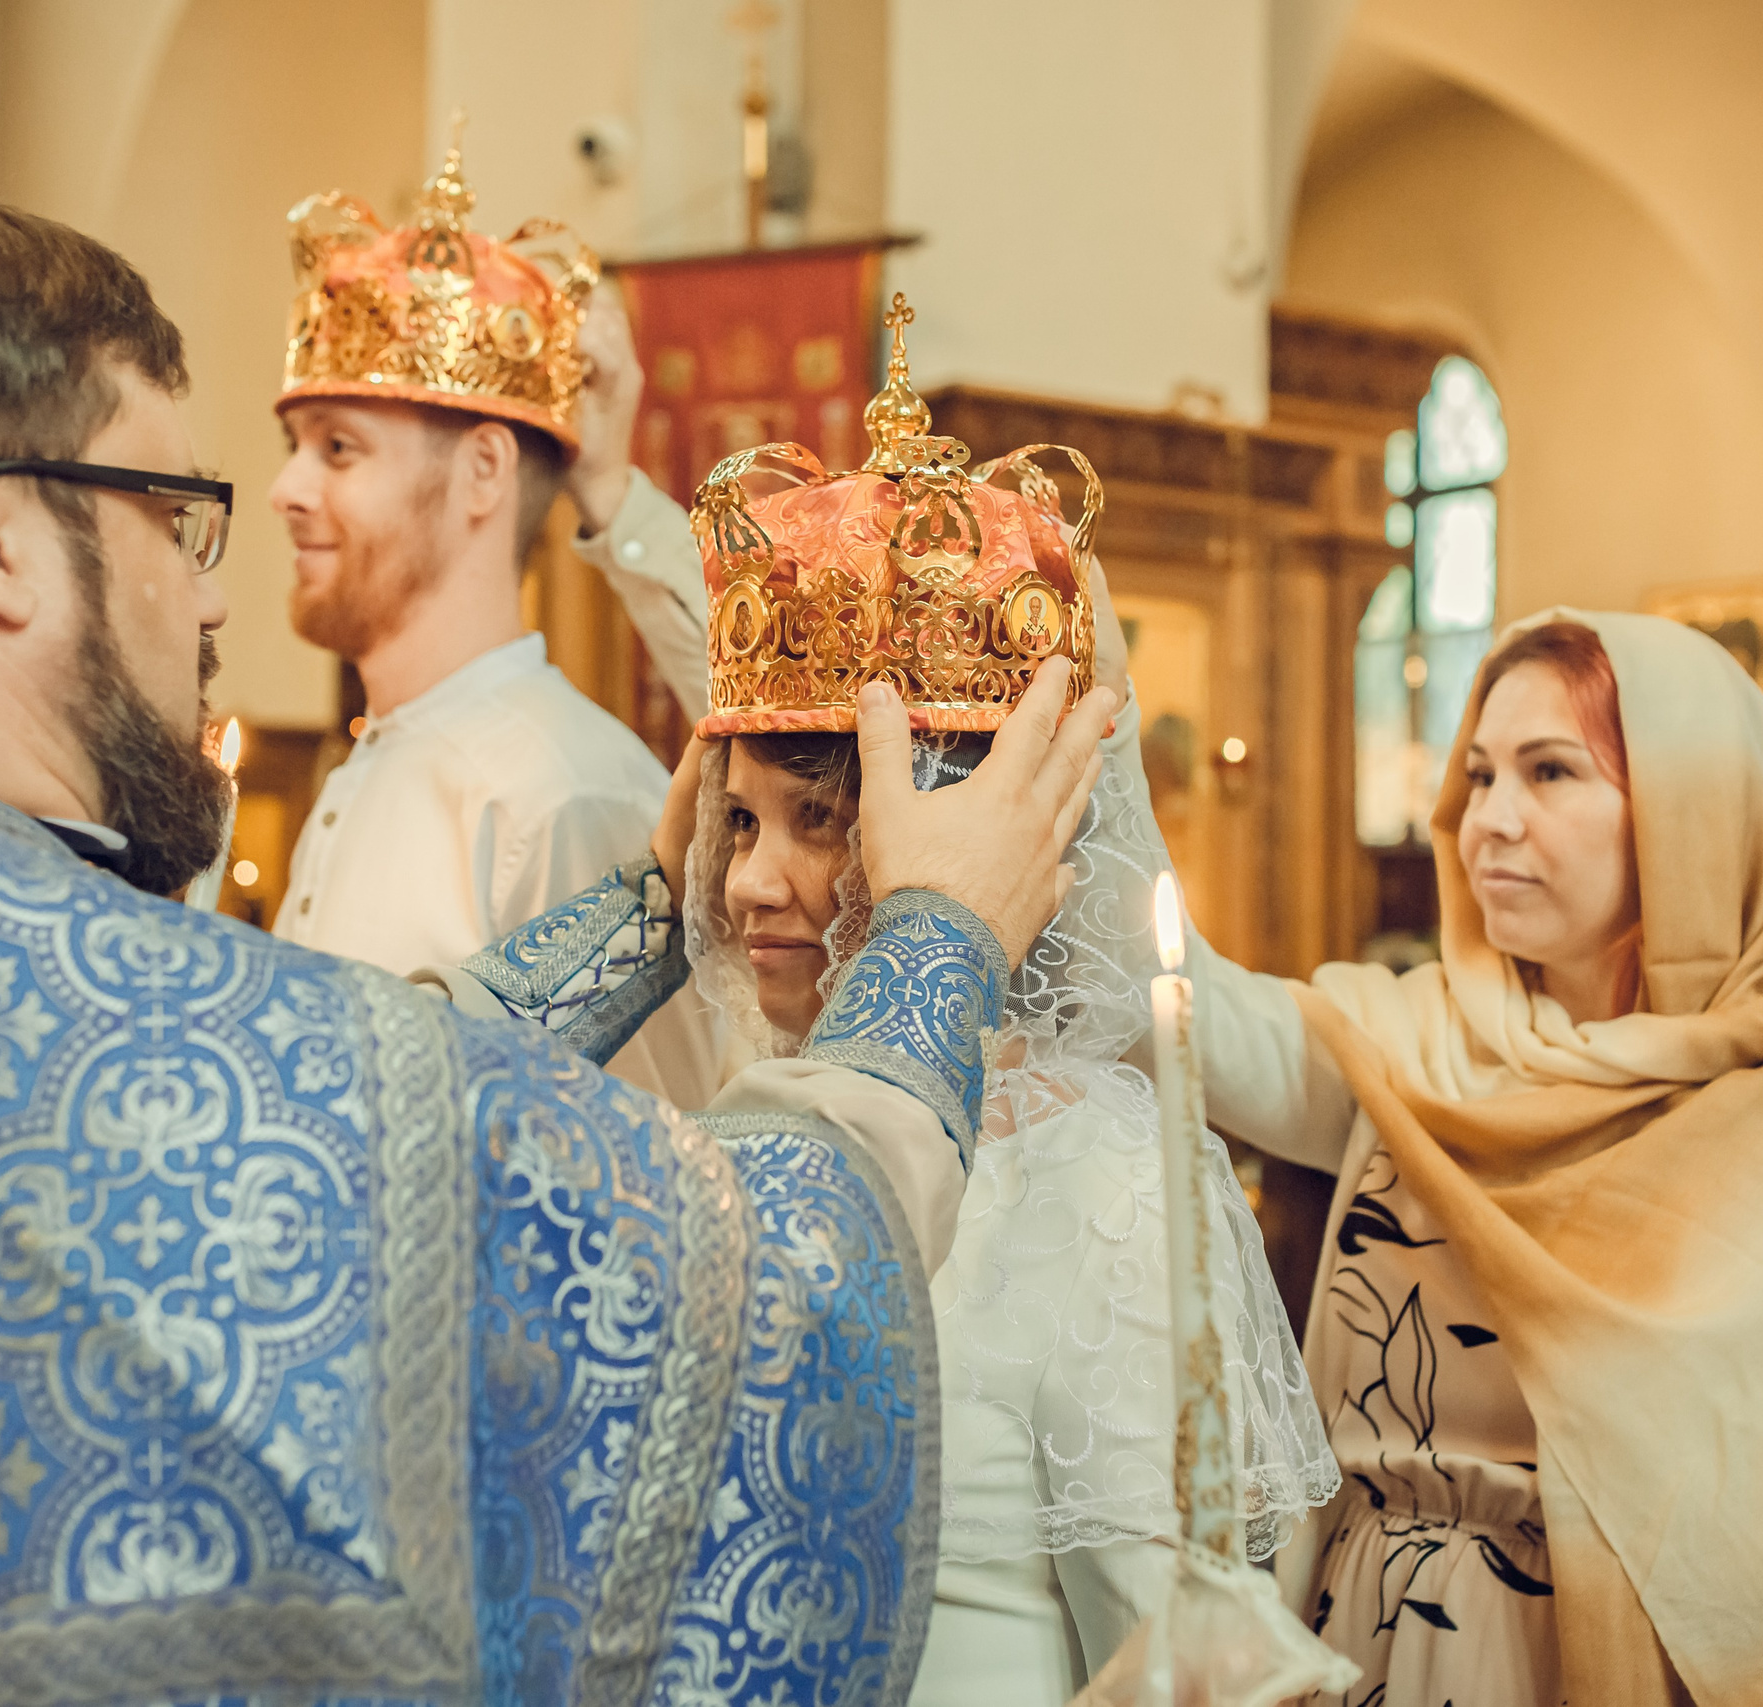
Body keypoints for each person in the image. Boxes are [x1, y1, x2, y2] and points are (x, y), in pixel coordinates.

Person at [0, 173, 1118, 1707]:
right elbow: (761, 1308)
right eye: (178, 511)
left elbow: (339, 1082)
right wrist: (930, 946)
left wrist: (641, 919)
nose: (213, 593)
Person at [430, 301, 1343, 1706]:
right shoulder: (732, 1116)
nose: (751, 884)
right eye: (737, 824)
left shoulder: (1095, 1175)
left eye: (823, 820)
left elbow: (1170, 1663)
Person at [1180, 609, 1763, 1702]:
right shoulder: (1407, 1050)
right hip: (1377, 1647)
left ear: (1692, 816)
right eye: (1478, 776)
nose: (1488, 820)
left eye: (1548, 772)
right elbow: (1173, 1003)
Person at [267, 134, 717, 1106]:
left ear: (482, 473)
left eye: (339, 448)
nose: (286, 488)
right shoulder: (376, 761)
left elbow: (668, 1172)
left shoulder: (563, 795)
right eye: (295, 445)